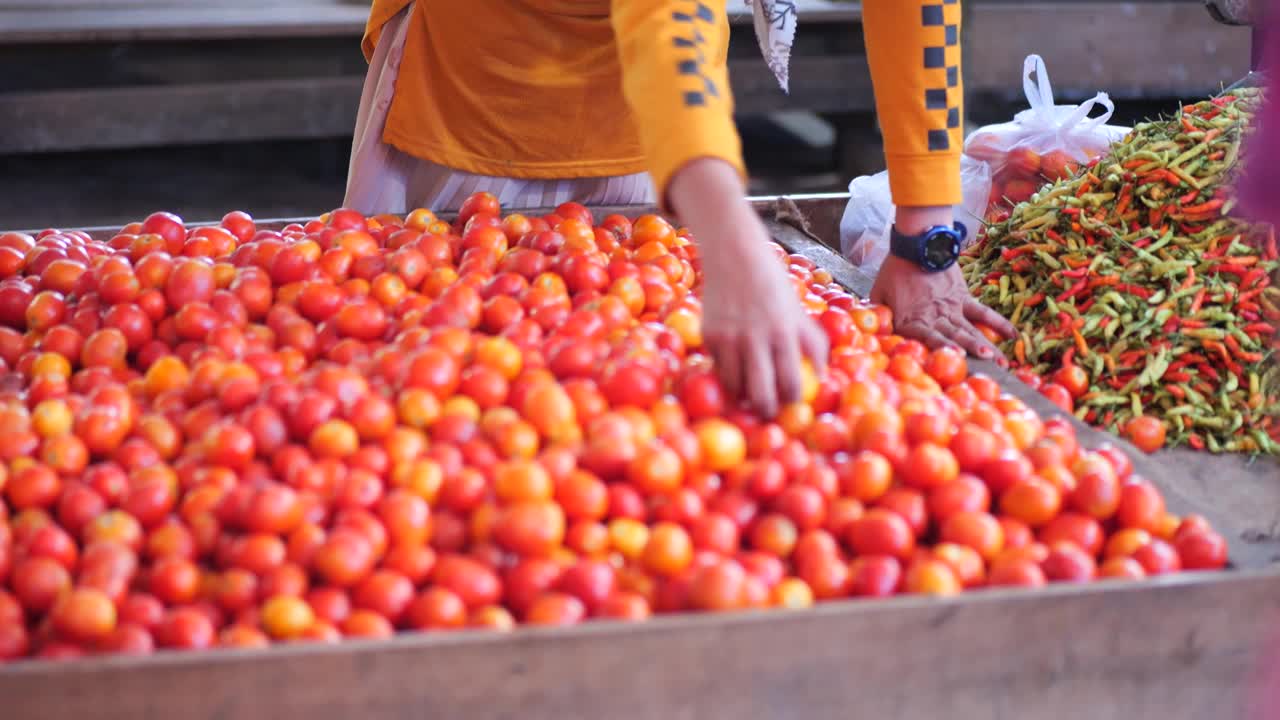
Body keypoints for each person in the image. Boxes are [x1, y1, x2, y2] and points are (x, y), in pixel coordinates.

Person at [345, 0, 1016, 416]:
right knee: (434, 362)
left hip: (664, 116)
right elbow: (666, 22)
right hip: (496, 85)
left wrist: (927, 230)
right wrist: (734, 246)